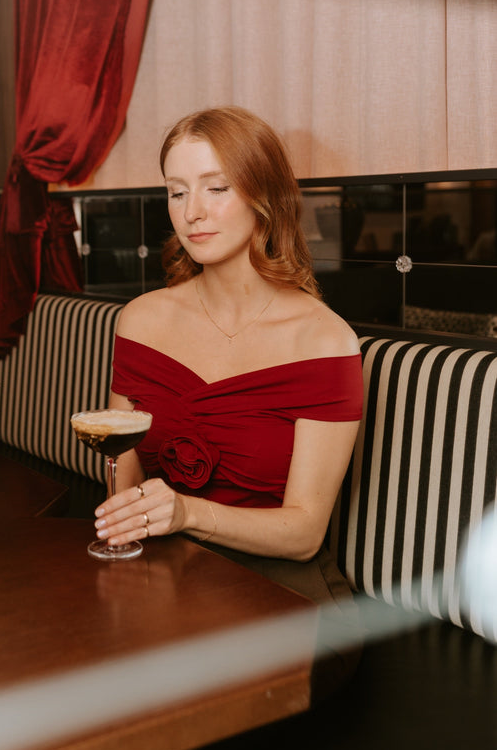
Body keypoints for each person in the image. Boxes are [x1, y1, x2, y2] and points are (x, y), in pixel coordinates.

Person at [94, 106, 365, 704]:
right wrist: (131, 519)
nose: (192, 211)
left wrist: (185, 514)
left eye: (216, 188)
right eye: (177, 191)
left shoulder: (323, 340)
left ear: (263, 197)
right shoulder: (141, 320)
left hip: (284, 593)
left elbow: (304, 533)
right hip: (163, 572)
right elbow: (123, 477)